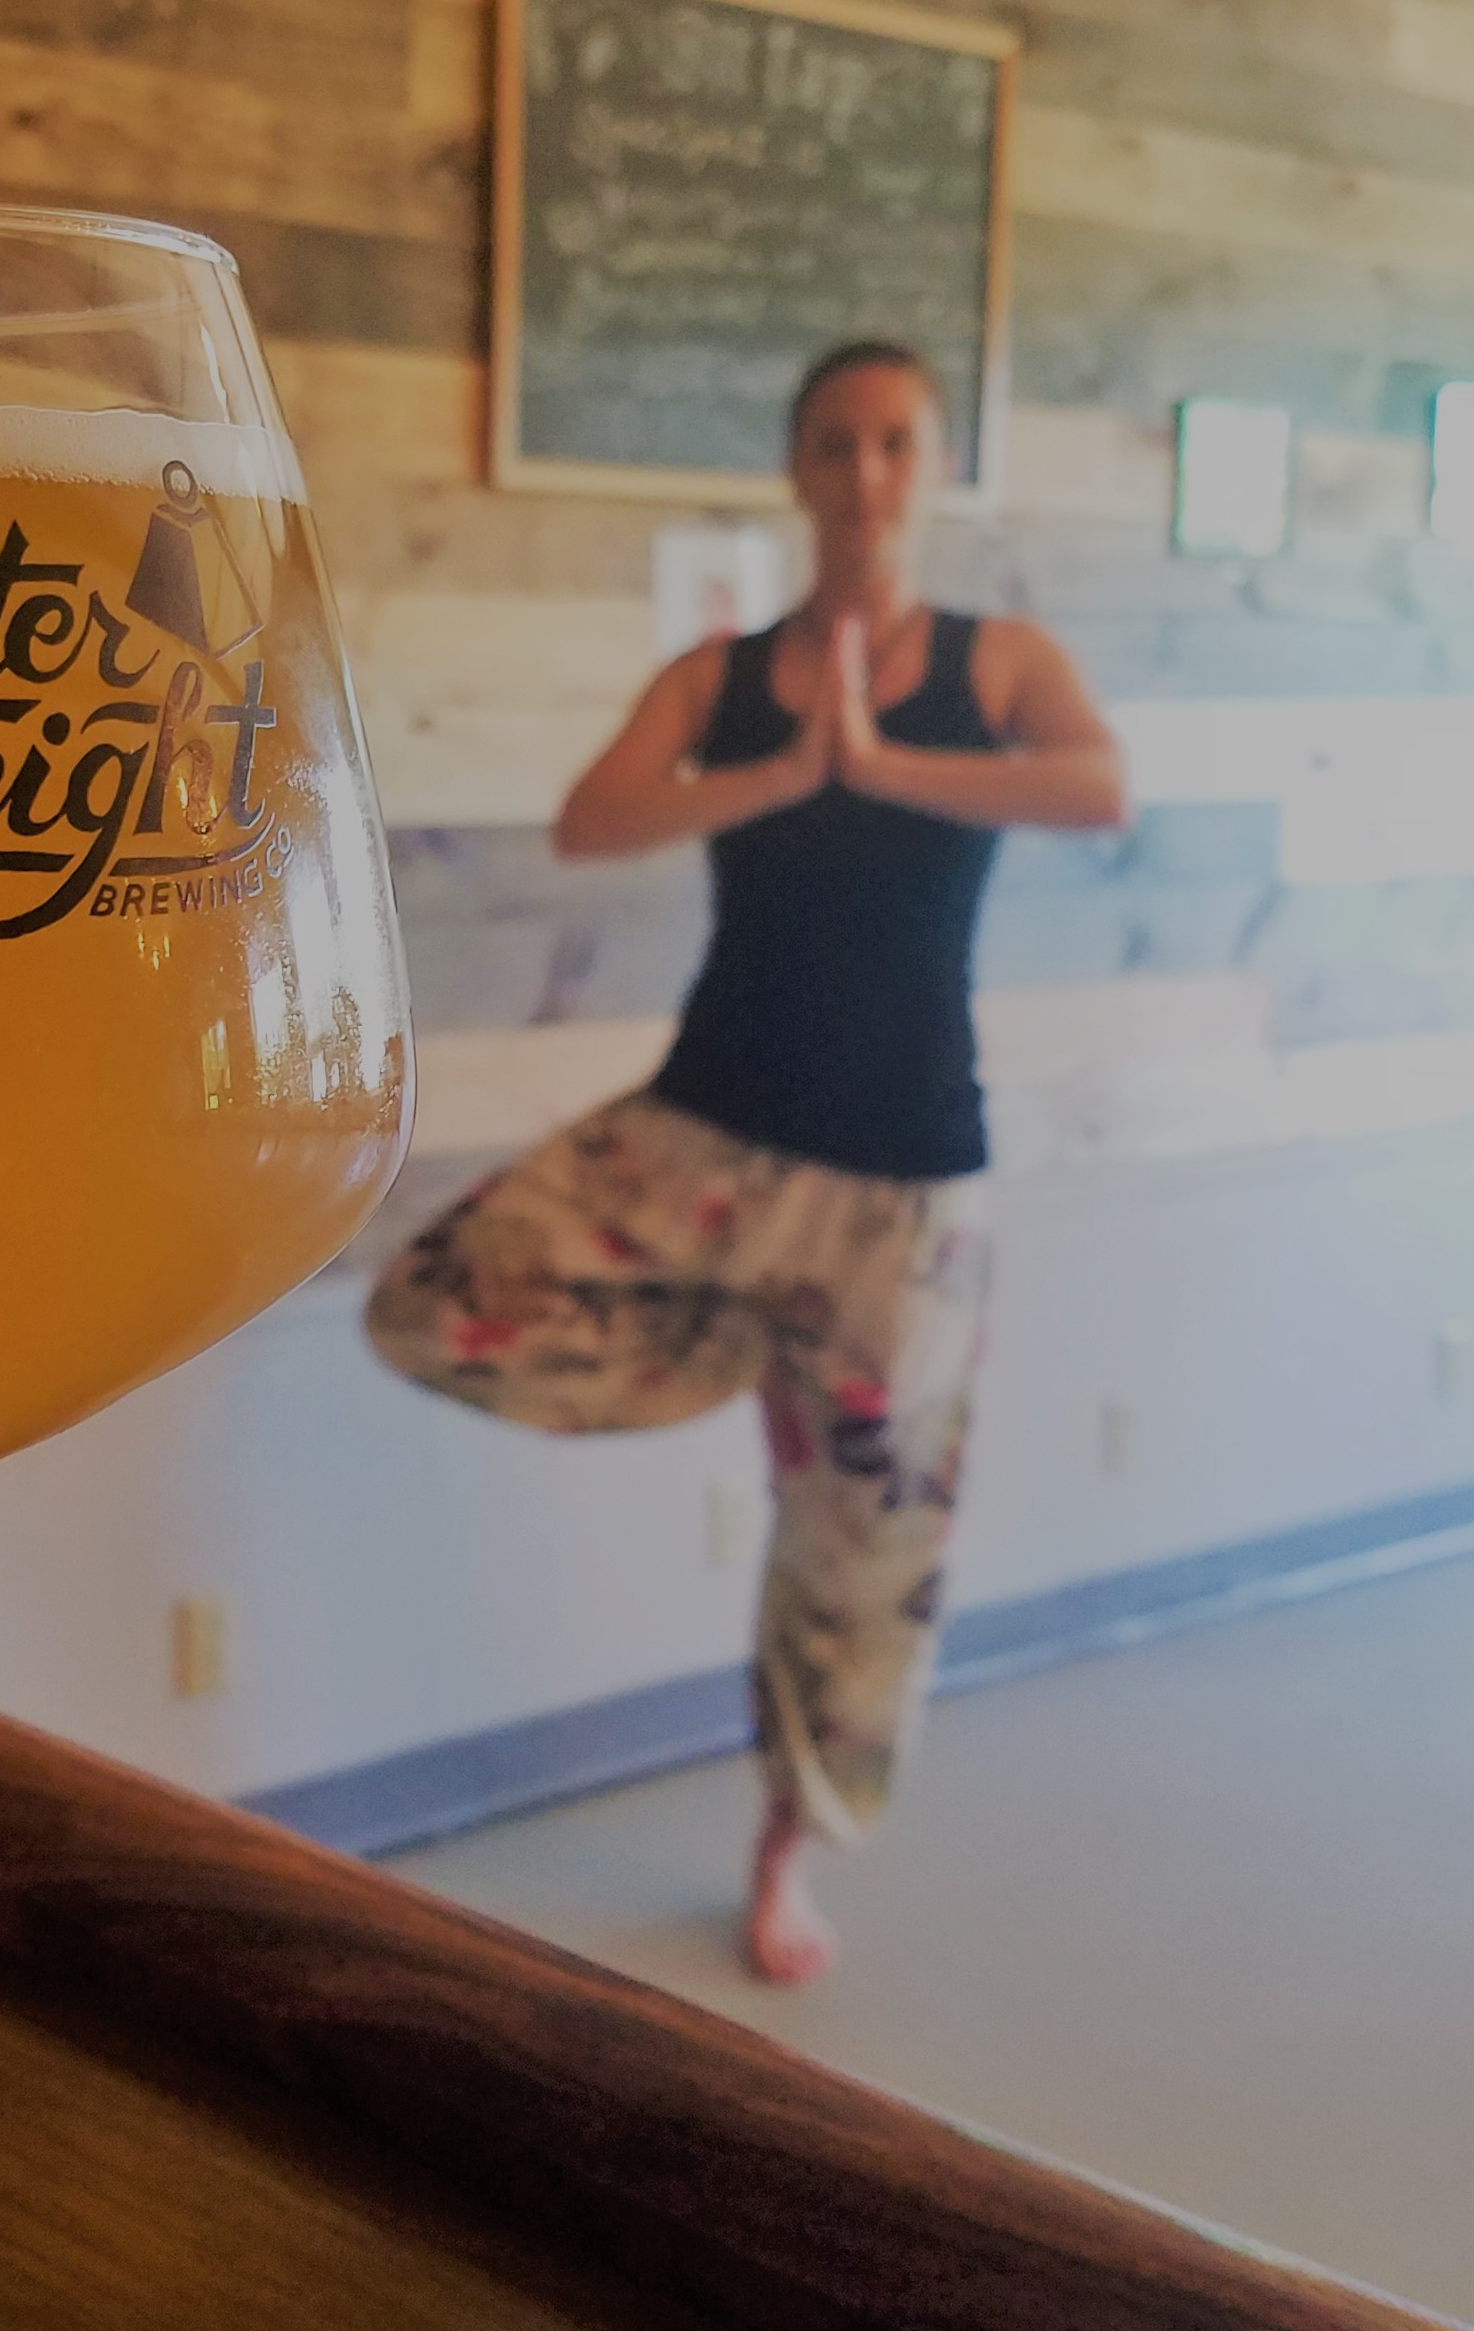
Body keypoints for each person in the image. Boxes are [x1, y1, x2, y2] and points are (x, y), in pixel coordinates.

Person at [367, 343, 1128, 1984]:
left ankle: (787, 1851)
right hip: (704, 1135)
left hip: (906, 1183)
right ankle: (735, 1350)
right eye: (836, 444)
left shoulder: (999, 663)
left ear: (939, 467)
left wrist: (884, 766)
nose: (867, 474)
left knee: (860, 1568)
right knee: (431, 1300)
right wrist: (789, 768)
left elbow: (1100, 788)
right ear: (795, 471)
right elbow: (589, 821)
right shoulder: (720, 680)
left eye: (897, 442)